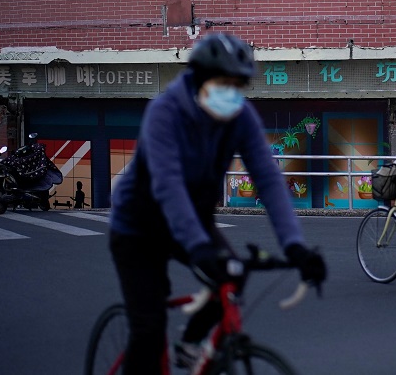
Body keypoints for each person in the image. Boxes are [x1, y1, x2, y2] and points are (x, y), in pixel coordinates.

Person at [108, 33, 326, 374]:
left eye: (238, 85)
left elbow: (268, 179)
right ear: (199, 78)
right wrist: (197, 247)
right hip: (138, 226)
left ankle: (191, 344)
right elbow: (168, 185)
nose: (231, 92)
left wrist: (295, 246)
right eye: (223, 82)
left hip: (194, 218)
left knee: (233, 275)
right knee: (148, 331)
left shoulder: (241, 117)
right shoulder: (164, 113)